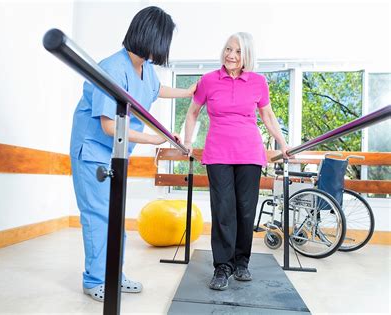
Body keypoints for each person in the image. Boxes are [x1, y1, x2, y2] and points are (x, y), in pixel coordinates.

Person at [70, 6, 196, 302]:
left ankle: (113, 274)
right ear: (151, 37)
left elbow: (155, 90)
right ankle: (94, 279)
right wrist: (154, 138)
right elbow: (109, 125)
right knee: (99, 216)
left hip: (116, 154)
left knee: (115, 216)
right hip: (92, 151)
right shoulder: (112, 68)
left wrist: (187, 93)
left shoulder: (144, 68)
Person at [183, 32, 289, 291]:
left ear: (247, 56)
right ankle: (222, 266)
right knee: (223, 210)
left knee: (245, 209)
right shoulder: (208, 80)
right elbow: (193, 113)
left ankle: (242, 261)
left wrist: (283, 143)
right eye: (228, 49)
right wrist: (187, 141)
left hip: (250, 153)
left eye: (238, 51)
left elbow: (268, 115)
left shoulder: (258, 82)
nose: (231, 55)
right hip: (218, 153)